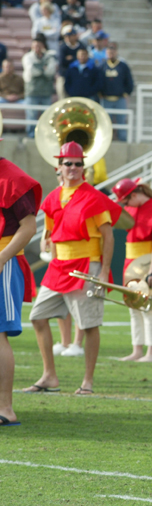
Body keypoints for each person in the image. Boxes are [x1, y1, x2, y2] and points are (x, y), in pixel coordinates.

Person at [24, 142, 122, 395]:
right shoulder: (53, 196)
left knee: (89, 326)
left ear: (83, 167)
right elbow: (51, 233)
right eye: (68, 163)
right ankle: (49, 376)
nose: (73, 168)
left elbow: (108, 237)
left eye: (78, 164)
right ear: (60, 166)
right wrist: (52, 254)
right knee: (37, 316)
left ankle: (87, 382)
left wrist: (103, 271)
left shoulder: (94, 196)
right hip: (59, 267)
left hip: (87, 265)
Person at [0, 158, 41, 426]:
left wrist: (2, 258)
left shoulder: (11, 176)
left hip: (3, 262)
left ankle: (5, 408)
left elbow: (29, 226)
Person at [111, 178, 152, 362]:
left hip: (146, 262)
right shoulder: (131, 207)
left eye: (126, 201)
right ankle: (137, 350)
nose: (125, 205)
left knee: (148, 307)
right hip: (130, 261)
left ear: (133, 195)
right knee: (133, 306)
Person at [22, 34, 57, 138]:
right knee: (31, 115)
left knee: (46, 115)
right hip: (32, 91)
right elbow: (31, 71)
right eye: (35, 45)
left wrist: (40, 70)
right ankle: (30, 135)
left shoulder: (49, 57)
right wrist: (43, 69)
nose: (37, 48)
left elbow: (51, 71)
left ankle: (44, 135)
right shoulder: (28, 57)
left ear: (43, 46)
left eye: (39, 45)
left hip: (46, 92)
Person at [99, 42, 134, 142]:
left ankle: (122, 139)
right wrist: (100, 92)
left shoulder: (123, 66)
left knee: (121, 121)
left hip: (120, 98)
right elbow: (99, 81)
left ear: (116, 52)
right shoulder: (103, 66)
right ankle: (106, 141)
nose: (111, 54)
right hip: (106, 98)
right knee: (106, 122)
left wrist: (127, 92)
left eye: (113, 52)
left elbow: (129, 81)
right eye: (109, 52)